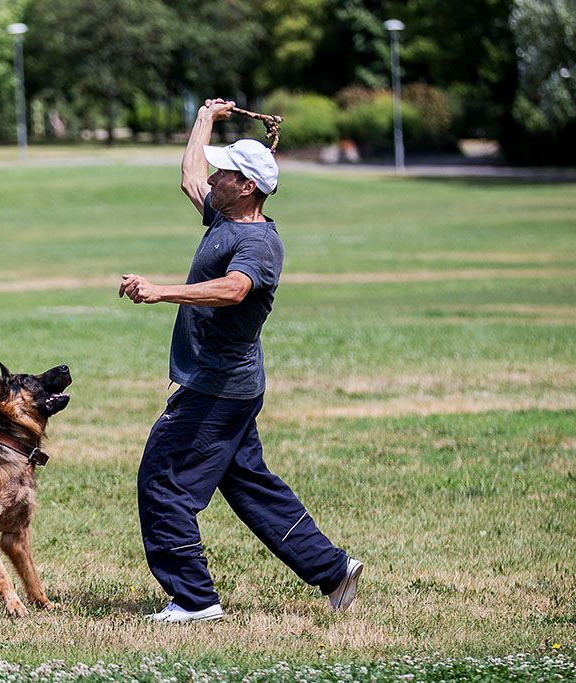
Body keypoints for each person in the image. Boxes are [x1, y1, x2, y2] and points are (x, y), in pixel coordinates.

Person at [119, 98, 362, 623]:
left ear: (247, 186)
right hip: (229, 384)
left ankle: (194, 599)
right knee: (249, 485)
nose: (213, 180)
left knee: (164, 479)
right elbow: (190, 177)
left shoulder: (259, 243)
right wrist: (205, 118)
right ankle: (333, 568)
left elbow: (234, 289)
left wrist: (161, 291)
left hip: (218, 386)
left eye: (224, 174)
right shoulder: (224, 216)